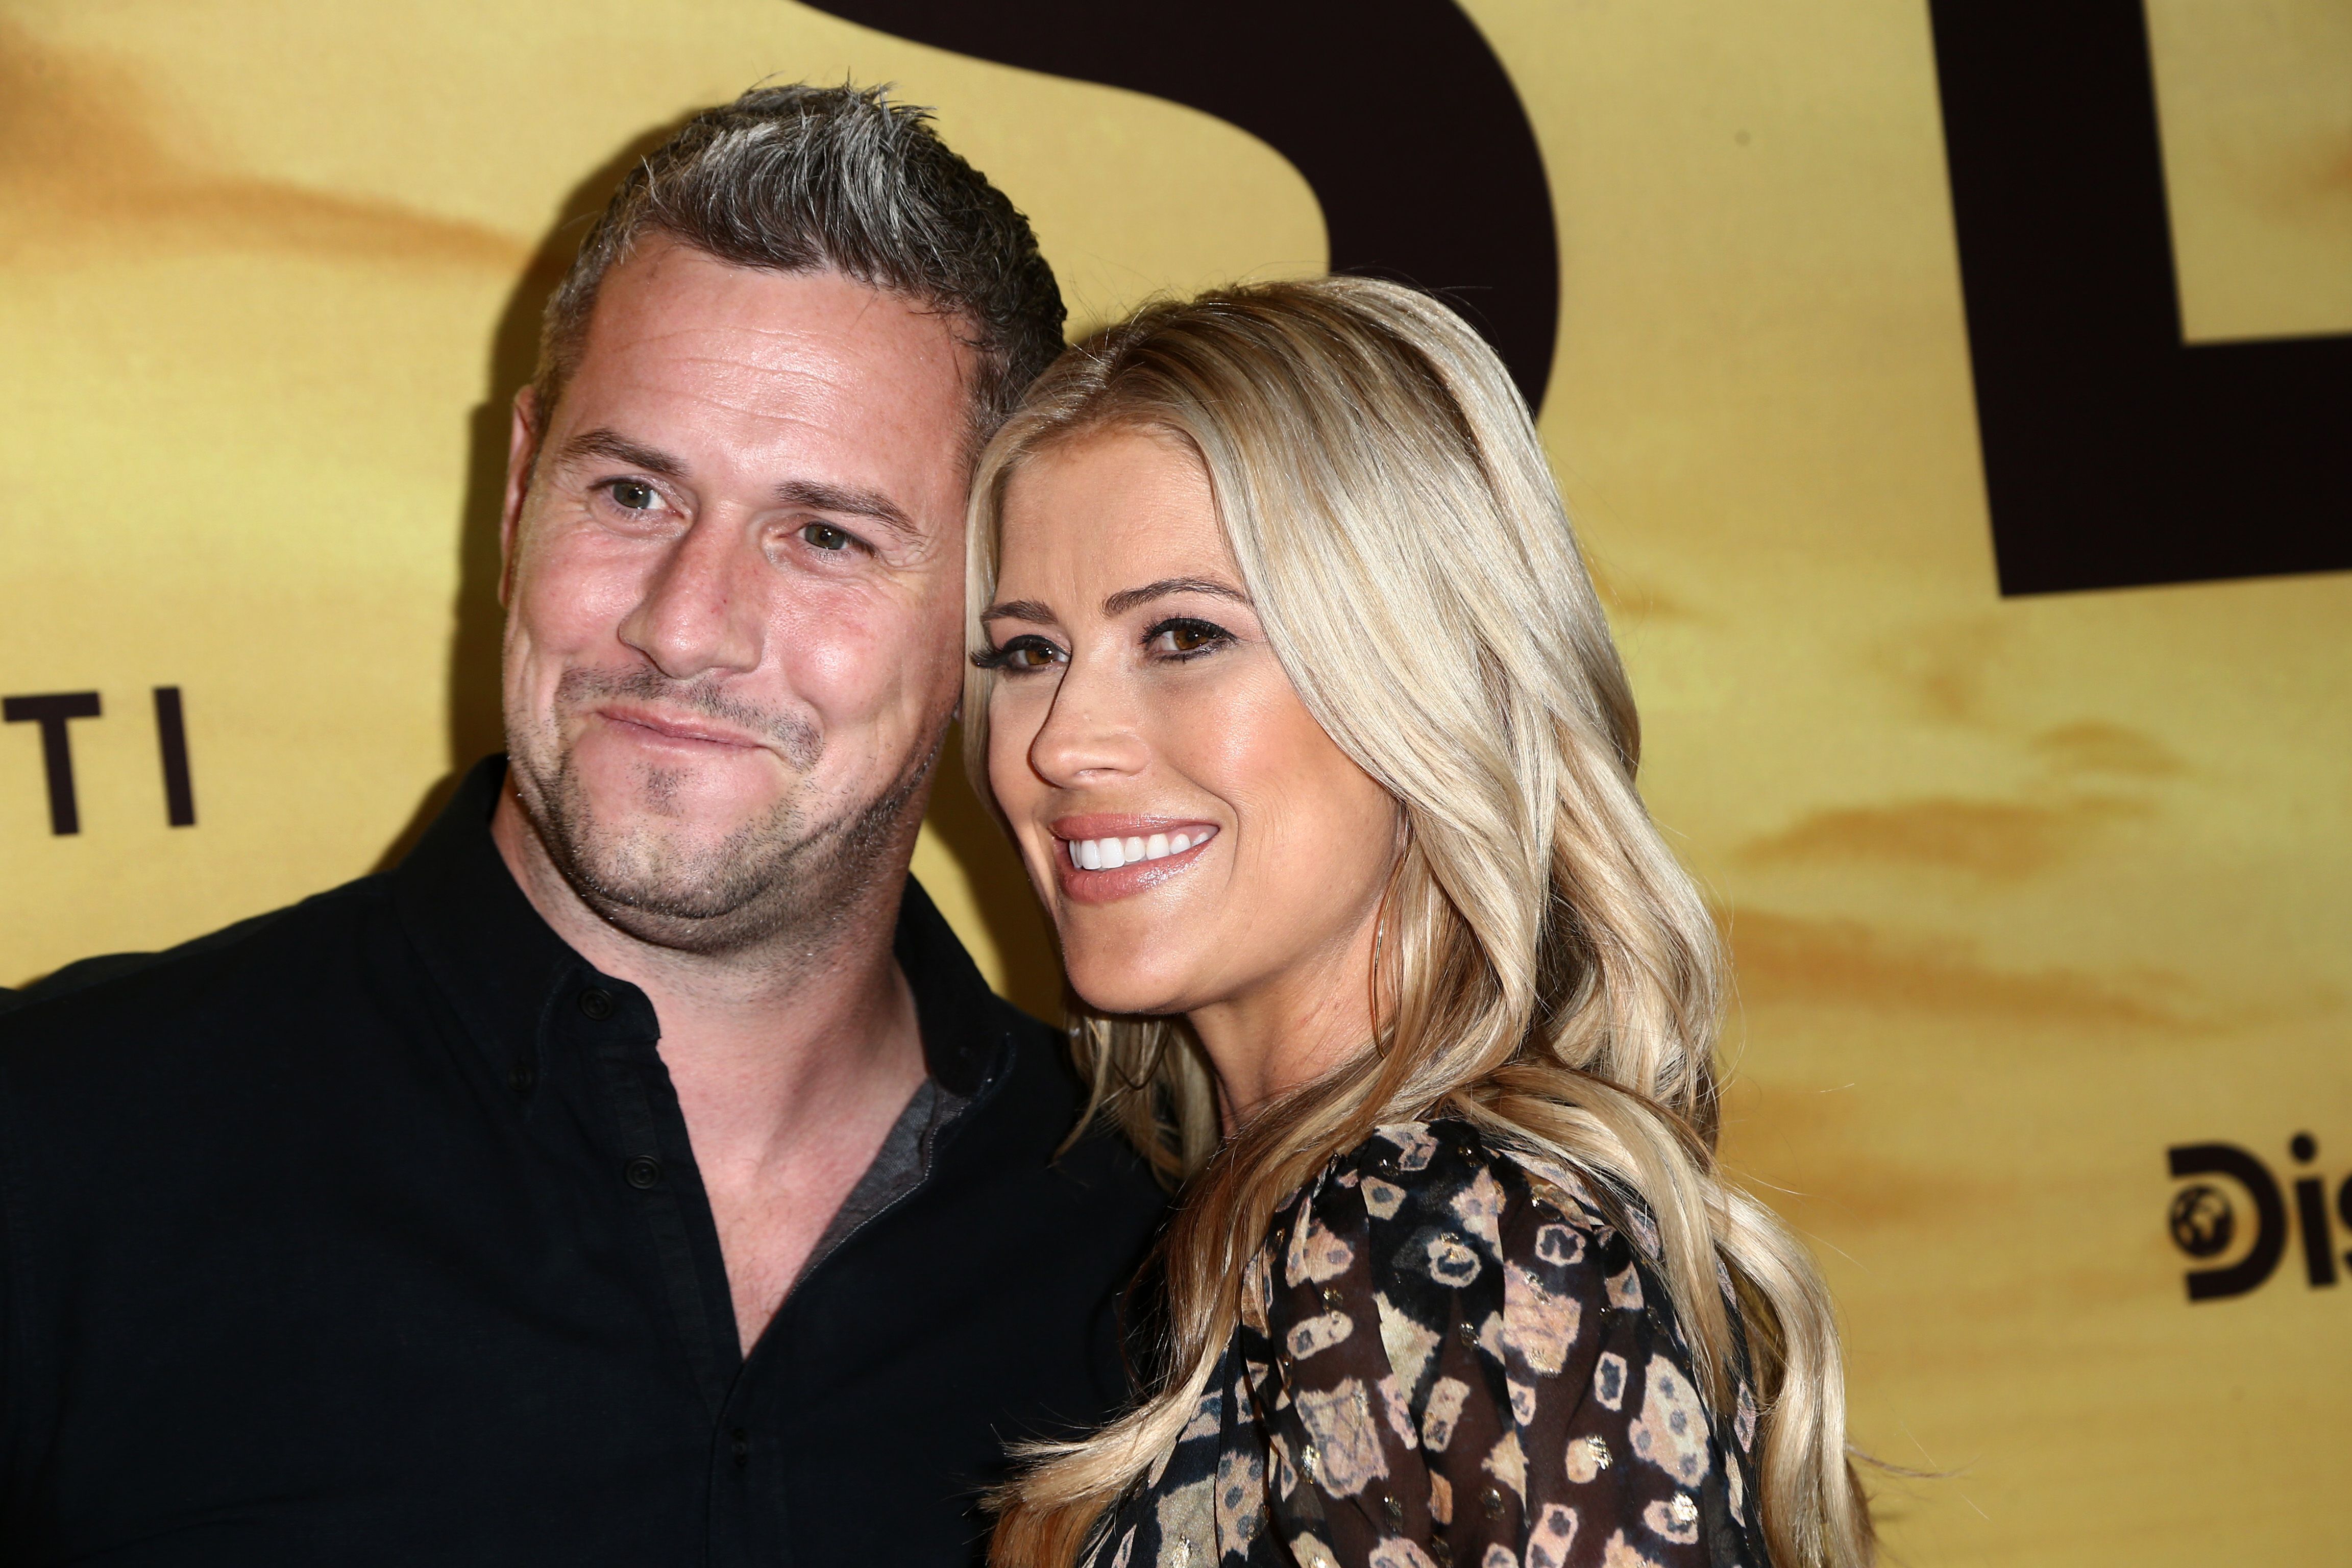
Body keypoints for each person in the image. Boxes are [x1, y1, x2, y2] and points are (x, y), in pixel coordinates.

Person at [0, 85, 1167, 1566]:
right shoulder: (58, 1153)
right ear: (517, 496)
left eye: (824, 536)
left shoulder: (1163, 1255)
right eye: (630, 491)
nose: (686, 629)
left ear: (991, 611)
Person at [965, 278, 1876, 1568]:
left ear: (1416, 677)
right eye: (1025, 653)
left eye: (1182, 635)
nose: (1060, 744)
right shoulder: (1311, 1224)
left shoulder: (1446, 1239)